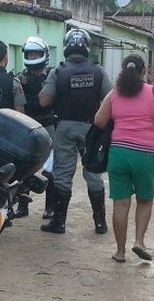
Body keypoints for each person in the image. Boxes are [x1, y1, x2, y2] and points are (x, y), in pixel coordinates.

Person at [93, 54, 154, 263]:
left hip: (118, 154)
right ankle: (139, 241)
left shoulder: (113, 94)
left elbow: (99, 121)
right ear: (144, 71)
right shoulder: (153, 93)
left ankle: (120, 252)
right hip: (144, 154)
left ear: (122, 71)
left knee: (121, 203)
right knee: (144, 199)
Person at [38, 29, 111, 235]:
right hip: (92, 127)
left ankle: (59, 223)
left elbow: (43, 100)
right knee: (94, 173)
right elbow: (110, 98)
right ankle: (100, 223)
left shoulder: (58, 71)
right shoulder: (98, 71)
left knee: (62, 174)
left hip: (65, 126)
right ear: (87, 47)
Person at [16, 36, 58, 219]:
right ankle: (22, 206)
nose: (33, 57)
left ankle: (50, 208)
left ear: (44, 54)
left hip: (49, 123)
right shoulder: (20, 77)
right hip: (28, 125)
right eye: (30, 53)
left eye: (36, 53)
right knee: (24, 167)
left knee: (51, 168)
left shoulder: (53, 74)